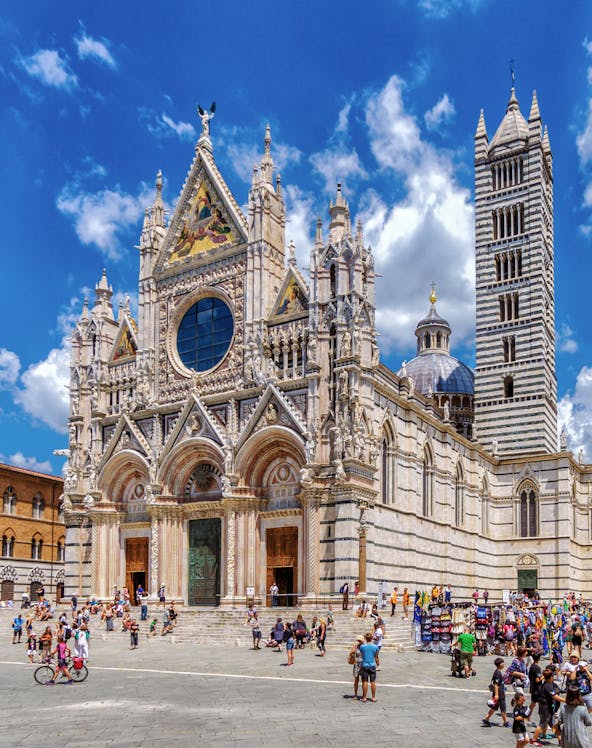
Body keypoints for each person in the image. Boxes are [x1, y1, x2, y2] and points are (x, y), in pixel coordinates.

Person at [482, 657, 510, 727]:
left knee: (494, 708)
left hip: (499, 693)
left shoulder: (498, 672)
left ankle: (486, 718)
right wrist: (497, 695)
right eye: (502, 662)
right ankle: (506, 722)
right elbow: (496, 685)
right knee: (503, 708)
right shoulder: (497, 673)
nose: (504, 664)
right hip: (500, 695)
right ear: (499, 664)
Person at [359, 631, 379, 702]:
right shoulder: (375, 647)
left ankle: (364, 697)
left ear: (365, 638)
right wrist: (378, 665)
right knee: (373, 681)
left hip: (364, 665)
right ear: (372, 638)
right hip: (372, 665)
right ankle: (373, 697)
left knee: (365, 681)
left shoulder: (362, 647)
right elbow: (376, 657)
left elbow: (361, 654)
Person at [349, 634, 364, 700]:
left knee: (364, 680)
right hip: (357, 664)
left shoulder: (365, 647)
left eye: (360, 640)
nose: (359, 641)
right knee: (356, 680)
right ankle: (355, 694)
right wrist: (352, 652)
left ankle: (364, 695)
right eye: (358, 640)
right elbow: (351, 653)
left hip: (363, 664)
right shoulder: (355, 646)